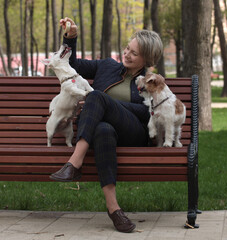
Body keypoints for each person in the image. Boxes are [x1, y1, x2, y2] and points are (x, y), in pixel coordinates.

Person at [49, 17, 163, 233]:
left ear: (147, 59)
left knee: (97, 97)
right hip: (98, 131)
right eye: (127, 48)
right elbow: (72, 65)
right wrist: (70, 38)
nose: (127, 54)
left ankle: (74, 163)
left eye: (134, 53)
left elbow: (150, 113)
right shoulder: (107, 65)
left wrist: (110, 105)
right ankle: (114, 210)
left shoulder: (151, 82)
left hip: (133, 133)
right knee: (103, 129)